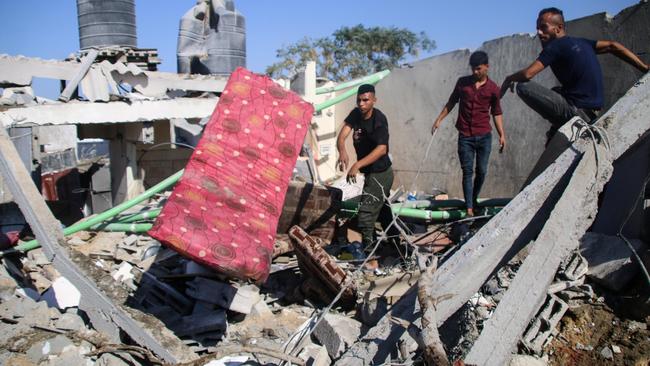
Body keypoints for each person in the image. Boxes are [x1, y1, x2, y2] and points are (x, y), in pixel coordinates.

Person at [501, 7, 649, 144]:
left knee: (523, 86)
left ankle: (566, 123)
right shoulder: (581, 43)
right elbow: (613, 45)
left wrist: (509, 78)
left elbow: (528, 74)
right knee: (556, 91)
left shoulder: (554, 46)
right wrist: (644, 67)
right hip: (594, 108)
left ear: (559, 28)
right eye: (537, 28)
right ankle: (558, 129)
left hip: (577, 109)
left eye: (544, 27)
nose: (539, 33)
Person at [431, 51, 506, 217]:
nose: (475, 72)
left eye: (478, 68)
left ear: (487, 67)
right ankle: (469, 208)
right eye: (473, 68)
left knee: (482, 171)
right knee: (467, 172)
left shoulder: (493, 89)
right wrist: (439, 120)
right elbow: (451, 102)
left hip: (484, 135)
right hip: (465, 136)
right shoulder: (462, 84)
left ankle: (473, 197)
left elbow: (497, 112)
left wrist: (502, 134)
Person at [337, 84, 394, 250]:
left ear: (374, 100)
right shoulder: (356, 114)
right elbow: (342, 135)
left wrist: (357, 164)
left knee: (365, 216)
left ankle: (372, 260)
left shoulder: (379, 119)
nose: (361, 104)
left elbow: (382, 149)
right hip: (370, 174)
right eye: (359, 100)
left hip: (381, 173)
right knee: (384, 216)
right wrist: (342, 150)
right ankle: (399, 250)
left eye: (365, 100)